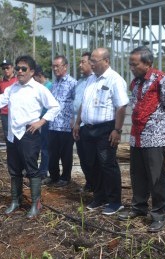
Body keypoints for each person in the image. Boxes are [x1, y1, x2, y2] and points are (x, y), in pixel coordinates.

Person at [0, 55, 60, 219]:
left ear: (32, 71)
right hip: (12, 134)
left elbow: (54, 107)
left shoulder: (39, 89)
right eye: (18, 68)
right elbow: (1, 100)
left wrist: (41, 122)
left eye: (24, 69)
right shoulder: (12, 88)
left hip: (29, 134)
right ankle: (16, 199)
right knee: (14, 169)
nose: (19, 71)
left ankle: (36, 203)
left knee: (31, 169)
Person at [117, 46, 165, 233]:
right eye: (130, 64)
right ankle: (139, 207)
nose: (131, 67)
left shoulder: (162, 80)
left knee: (156, 177)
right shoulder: (135, 83)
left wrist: (162, 126)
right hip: (137, 136)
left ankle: (159, 214)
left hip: (154, 135)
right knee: (137, 174)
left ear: (148, 63)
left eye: (135, 64)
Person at [73, 48, 128, 215]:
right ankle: (99, 196)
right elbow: (84, 103)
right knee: (92, 163)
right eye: (91, 61)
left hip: (106, 129)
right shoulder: (91, 80)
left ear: (106, 61)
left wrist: (117, 130)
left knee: (107, 164)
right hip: (88, 128)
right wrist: (77, 123)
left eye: (94, 61)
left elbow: (121, 106)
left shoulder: (115, 80)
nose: (91, 64)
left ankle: (114, 201)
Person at [42, 55, 77, 187]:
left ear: (65, 67)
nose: (55, 69)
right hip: (53, 125)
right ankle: (54, 176)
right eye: (53, 66)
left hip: (66, 125)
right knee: (52, 153)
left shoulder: (73, 83)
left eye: (57, 66)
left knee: (66, 154)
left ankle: (65, 177)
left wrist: (74, 120)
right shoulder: (54, 83)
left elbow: (77, 103)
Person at [73, 52, 94, 192]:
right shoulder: (79, 82)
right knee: (82, 157)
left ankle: (96, 185)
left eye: (83, 62)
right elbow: (75, 103)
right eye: (79, 62)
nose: (80, 65)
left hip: (89, 126)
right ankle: (89, 183)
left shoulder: (95, 81)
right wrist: (74, 122)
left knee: (91, 158)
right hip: (77, 125)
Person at [33, 65, 52, 180]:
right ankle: (40, 168)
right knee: (40, 145)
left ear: (39, 76)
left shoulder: (50, 86)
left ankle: (43, 170)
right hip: (39, 120)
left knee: (45, 146)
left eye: (34, 78)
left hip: (46, 121)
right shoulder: (39, 87)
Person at [0, 58, 17, 140]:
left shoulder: (18, 80)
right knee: (7, 135)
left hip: (16, 112)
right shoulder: (0, 82)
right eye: (3, 68)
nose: (5, 70)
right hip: (5, 113)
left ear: (12, 68)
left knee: (18, 135)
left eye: (7, 68)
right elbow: (0, 96)